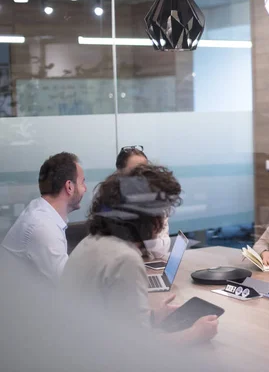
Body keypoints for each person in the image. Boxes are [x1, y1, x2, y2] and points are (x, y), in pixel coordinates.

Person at [60, 164, 218, 343]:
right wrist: (194, 334)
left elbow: (118, 323)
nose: (163, 220)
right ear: (147, 217)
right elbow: (139, 351)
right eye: (162, 213)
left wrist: (152, 317)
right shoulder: (125, 259)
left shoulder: (91, 242)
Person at [2, 152, 87, 285]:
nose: (85, 189)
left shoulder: (41, 212)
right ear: (69, 187)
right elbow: (70, 286)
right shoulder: (43, 226)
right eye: (82, 183)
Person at [116, 145, 170, 260]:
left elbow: (161, 252)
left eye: (144, 171)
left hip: (148, 267)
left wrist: (151, 235)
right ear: (119, 174)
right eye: (134, 171)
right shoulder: (110, 204)